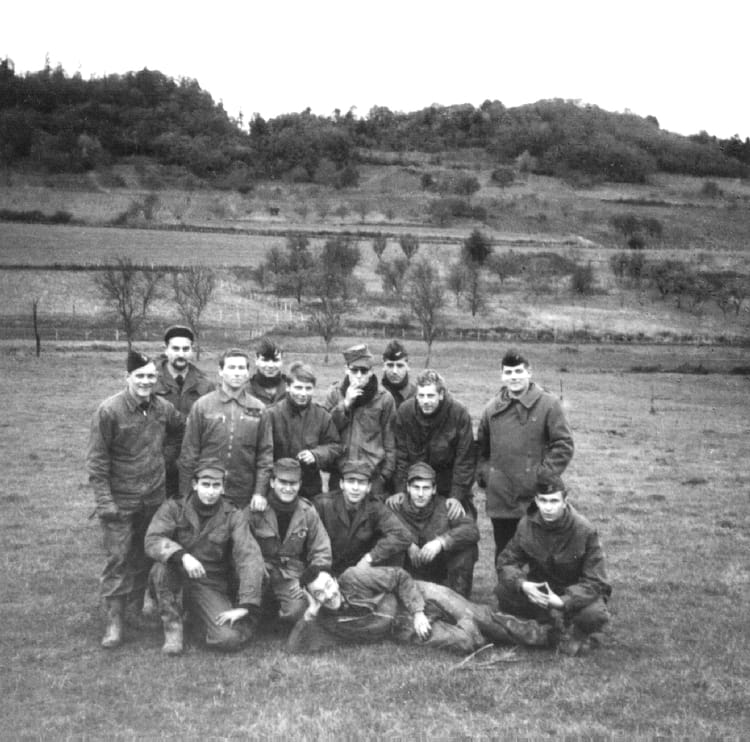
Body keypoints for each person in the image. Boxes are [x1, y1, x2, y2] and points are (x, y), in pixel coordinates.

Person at [86, 350, 184, 649]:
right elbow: (97, 462)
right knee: (118, 559)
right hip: (120, 501)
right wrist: (105, 502)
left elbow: (180, 430)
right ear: (127, 377)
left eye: (151, 376)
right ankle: (114, 622)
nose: (145, 382)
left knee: (144, 557)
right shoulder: (109, 411)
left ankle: (135, 609)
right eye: (139, 376)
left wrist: (165, 457)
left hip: (153, 499)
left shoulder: (163, 408)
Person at [288, 564, 551, 655]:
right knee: (465, 643)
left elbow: (400, 576)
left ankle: (546, 635)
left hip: (415, 595)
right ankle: (476, 628)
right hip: (401, 627)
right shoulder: (324, 621)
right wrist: (310, 611)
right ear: (312, 597)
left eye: (328, 585)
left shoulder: (354, 577)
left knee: (482, 617)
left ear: (335, 579)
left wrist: (418, 611)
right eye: (318, 593)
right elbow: (293, 649)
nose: (329, 595)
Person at [144, 460, 264, 654]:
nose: (210, 491)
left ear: (223, 487)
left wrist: (247, 604)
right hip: (176, 574)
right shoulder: (174, 507)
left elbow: (249, 556)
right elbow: (152, 539)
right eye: (205, 485)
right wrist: (182, 556)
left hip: (209, 583)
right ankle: (173, 630)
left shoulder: (233, 515)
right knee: (161, 569)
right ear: (194, 484)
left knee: (228, 638)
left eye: (216, 486)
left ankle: (196, 622)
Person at [495, 472, 612, 656]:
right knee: (503, 591)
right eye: (543, 501)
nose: (548, 508)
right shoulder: (526, 525)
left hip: (573, 592)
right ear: (536, 500)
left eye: (554, 501)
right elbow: (506, 562)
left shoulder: (584, 530)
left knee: (594, 614)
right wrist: (523, 584)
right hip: (542, 590)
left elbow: (596, 582)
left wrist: (562, 601)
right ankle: (549, 624)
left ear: (565, 501)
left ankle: (573, 628)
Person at [476, 348, 574, 558]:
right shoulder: (491, 409)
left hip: (535, 498)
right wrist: (487, 476)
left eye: (519, 371)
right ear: (502, 376)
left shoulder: (549, 404)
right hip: (502, 499)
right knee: (506, 554)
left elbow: (563, 444)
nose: (514, 377)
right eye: (509, 372)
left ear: (529, 372)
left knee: (539, 556)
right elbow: (481, 450)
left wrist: (542, 476)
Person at [178, 348, 273, 509]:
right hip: (208, 490)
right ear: (221, 371)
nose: (236, 373)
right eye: (231, 367)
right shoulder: (202, 406)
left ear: (247, 373)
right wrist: (186, 494)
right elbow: (189, 453)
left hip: (243, 492)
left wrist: (260, 492)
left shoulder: (259, 409)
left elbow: (265, 455)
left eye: (241, 368)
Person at [247, 458, 332, 625]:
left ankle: (275, 621)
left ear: (300, 484)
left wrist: (306, 580)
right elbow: (241, 547)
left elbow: (322, 551)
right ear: (272, 482)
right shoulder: (256, 509)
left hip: (290, 574)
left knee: (298, 610)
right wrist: (254, 569)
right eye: (282, 482)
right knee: (248, 604)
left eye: (293, 483)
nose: (288, 488)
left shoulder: (307, 511)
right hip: (259, 570)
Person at [389, 369, 476, 518]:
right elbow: (401, 455)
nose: (425, 401)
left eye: (430, 396)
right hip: (417, 487)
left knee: (462, 523)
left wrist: (456, 496)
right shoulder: (405, 412)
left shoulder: (459, 414)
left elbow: (465, 459)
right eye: (421, 396)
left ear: (441, 394)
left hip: (449, 484)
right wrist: (401, 489)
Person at [392, 463, 479, 598]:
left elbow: (471, 530)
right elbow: (379, 529)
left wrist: (441, 542)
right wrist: (406, 543)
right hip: (407, 570)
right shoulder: (396, 507)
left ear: (434, 489)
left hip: (439, 570)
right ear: (408, 488)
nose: (420, 494)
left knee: (467, 549)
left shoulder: (446, 506)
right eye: (416, 488)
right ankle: (392, 594)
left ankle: (458, 597)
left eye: (426, 488)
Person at [314, 460, 412, 575]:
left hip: (357, 571)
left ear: (369, 487)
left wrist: (370, 557)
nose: (355, 488)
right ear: (341, 484)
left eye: (361, 483)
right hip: (324, 568)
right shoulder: (323, 504)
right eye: (350, 481)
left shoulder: (375, 507)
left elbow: (403, 535)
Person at [262, 361, 342, 502]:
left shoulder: (322, 416)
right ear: (288, 387)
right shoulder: (271, 414)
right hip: (277, 489)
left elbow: (334, 446)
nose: (303, 393)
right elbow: (262, 454)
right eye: (298, 387)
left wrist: (316, 455)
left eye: (308, 388)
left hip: (309, 490)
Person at [323, 343, 396, 496]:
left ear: (371, 372)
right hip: (340, 473)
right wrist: (345, 404)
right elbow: (326, 431)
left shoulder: (384, 398)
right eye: (354, 370)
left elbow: (390, 440)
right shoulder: (334, 393)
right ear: (346, 369)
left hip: (372, 475)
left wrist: (384, 475)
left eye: (364, 371)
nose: (358, 375)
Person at [153, 325, 213, 498]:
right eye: (175, 349)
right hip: (158, 463)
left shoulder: (206, 384)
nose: (181, 354)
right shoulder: (150, 381)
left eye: (186, 349)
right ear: (165, 349)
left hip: (193, 464)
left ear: (192, 350)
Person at [248, 337, 288, 407]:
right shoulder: (246, 390)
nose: (270, 365)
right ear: (256, 360)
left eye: (275, 360)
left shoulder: (292, 389)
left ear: (282, 361)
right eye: (265, 360)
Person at [380, 339, 416, 408]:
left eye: (400, 365)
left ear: (408, 366)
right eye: (390, 365)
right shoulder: (374, 396)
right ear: (384, 366)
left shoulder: (418, 397)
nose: (395, 371)